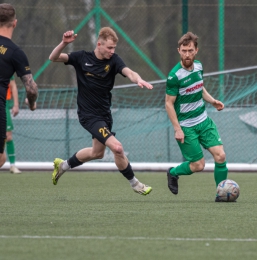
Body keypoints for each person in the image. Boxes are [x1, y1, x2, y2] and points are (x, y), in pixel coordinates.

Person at [49, 27, 153, 195]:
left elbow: (129, 72)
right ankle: (135, 184)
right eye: (109, 48)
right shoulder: (81, 57)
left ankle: (63, 165)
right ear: (99, 44)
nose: (112, 51)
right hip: (88, 115)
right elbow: (53, 58)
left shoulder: (114, 60)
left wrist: (138, 79)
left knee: (97, 153)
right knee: (117, 148)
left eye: (114, 48)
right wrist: (63, 43)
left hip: (105, 115)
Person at [165, 32, 228, 202]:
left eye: (190, 50)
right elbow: (168, 103)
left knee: (220, 156)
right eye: (184, 50)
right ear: (179, 50)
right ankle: (173, 173)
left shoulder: (199, 66)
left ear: (196, 50)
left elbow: (199, 88)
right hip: (186, 126)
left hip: (204, 121)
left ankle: (222, 194)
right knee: (199, 165)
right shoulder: (174, 76)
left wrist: (213, 101)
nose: (187, 54)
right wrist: (177, 129)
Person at [0, 3, 38, 168]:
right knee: (1, 158)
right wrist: (31, 103)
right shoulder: (15, 52)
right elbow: (31, 88)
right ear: (14, 23)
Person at [6, 76, 21, 173]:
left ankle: (12, 165)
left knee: (8, 137)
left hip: (3, 104)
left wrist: (16, 105)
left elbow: (13, 85)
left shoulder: (6, 65)